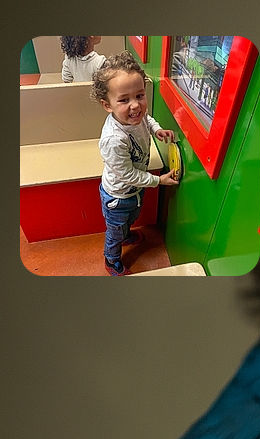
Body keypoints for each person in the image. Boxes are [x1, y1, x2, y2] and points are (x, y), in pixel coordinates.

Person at [91, 52, 179, 276]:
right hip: (118, 197)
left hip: (134, 191)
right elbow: (126, 175)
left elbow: (147, 119)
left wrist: (157, 129)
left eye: (139, 95)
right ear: (107, 105)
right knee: (115, 232)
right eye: (123, 99)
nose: (135, 105)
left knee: (131, 218)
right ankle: (111, 259)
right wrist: (158, 180)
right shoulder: (114, 139)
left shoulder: (137, 116)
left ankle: (126, 232)